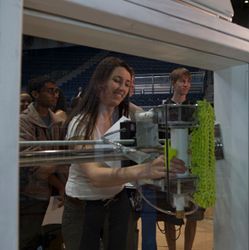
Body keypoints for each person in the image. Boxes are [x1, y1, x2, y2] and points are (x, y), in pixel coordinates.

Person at [61, 57, 187, 250]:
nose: (122, 88)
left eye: (127, 83)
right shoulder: (81, 123)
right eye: (117, 80)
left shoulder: (124, 115)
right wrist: (143, 170)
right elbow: (95, 176)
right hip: (84, 208)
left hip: (117, 203)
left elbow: (152, 124)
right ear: (100, 81)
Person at [19, 77, 67, 250]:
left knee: (54, 239)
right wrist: (58, 168)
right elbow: (36, 164)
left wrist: (62, 184)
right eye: (50, 91)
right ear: (35, 94)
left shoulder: (58, 122)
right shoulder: (22, 121)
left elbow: (62, 159)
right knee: (27, 240)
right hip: (29, 193)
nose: (55, 95)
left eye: (56, 91)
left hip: (55, 194)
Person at [163, 67, 205, 250]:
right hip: (171, 167)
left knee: (193, 215)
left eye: (188, 81)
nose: (186, 85)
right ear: (174, 83)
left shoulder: (194, 108)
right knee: (170, 215)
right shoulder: (163, 107)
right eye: (182, 81)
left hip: (192, 167)